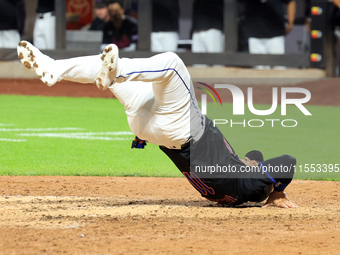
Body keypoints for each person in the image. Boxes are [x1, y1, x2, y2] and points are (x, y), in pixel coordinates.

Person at [16, 40, 298, 208]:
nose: (251, 161)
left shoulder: (249, 186)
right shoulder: (234, 188)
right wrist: (256, 167)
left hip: (181, 130)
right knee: (113, 78)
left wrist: (277, 194)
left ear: (261, 182)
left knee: (173, 65)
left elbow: (286, 161)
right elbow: (259, 160)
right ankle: (53, 68)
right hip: (150, 129)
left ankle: (119, 71)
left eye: (256, 167)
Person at [243, 0, 296, 69]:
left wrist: (290, 23)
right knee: (259, 70)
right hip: (254, 34)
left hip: (275, 34)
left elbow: (291, 2)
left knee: (278, 69)